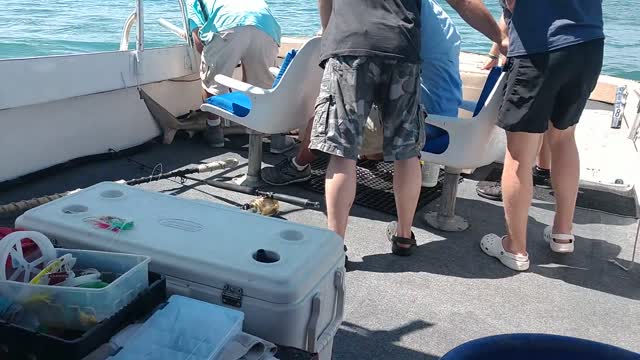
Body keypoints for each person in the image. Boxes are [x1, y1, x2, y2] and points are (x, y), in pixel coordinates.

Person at [301, 0, 505, 257]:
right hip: (401, 47)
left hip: (350, 44)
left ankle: (333, 246)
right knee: (407, 152)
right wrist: (501, 38)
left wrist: (331, 36)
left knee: (343, 153)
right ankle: (404, 235)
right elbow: (463, 3)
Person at [480, 0, 605, 271]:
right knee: (564, 137)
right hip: (589, 44)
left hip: (540, 47)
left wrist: (497, 45)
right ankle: (562, 233)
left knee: (519, 154)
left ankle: (515, 248)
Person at [188, 0, 293, 152]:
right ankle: (277, 136)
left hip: (227, 24)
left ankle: (214, 133)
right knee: (265, 86)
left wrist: (214, 60)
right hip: (265, 25)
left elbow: (199, 44)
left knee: (212, 83)